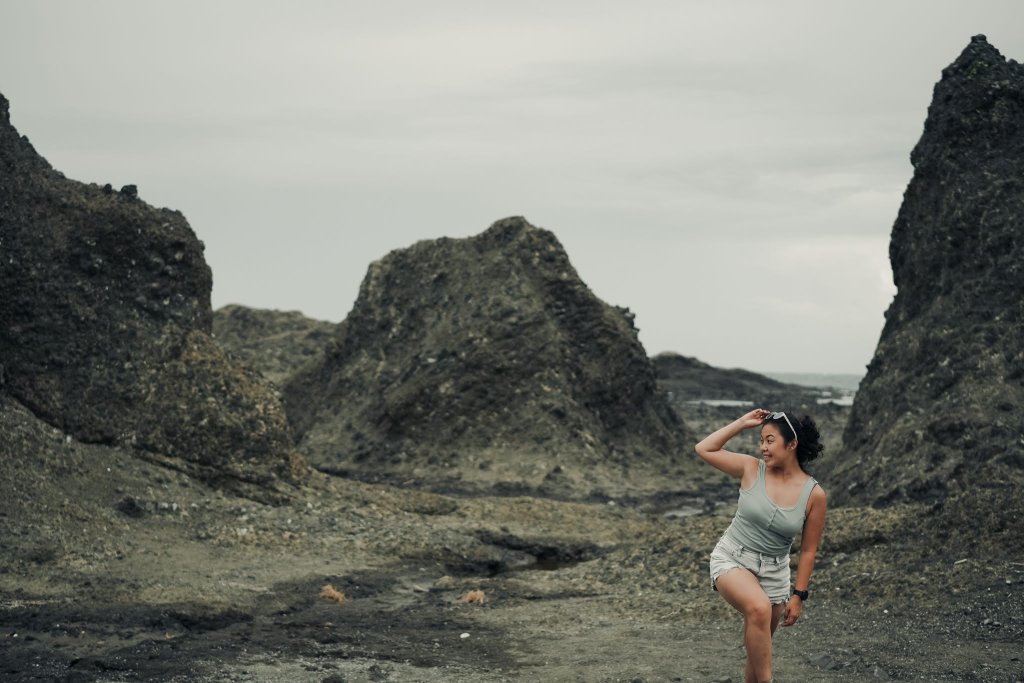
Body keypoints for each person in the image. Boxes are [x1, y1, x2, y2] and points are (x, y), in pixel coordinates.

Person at [694, 408, 827, 683]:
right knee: (758, 608)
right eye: (761, 440)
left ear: (792, 444)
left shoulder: (814, 494)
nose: (763, 447)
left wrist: (798, 595)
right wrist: (742, 423)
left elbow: (808, 550)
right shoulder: (751, 468)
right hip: (733, 557)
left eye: (769, 441)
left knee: (757, 656)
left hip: (775, 572)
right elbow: (704, 448)